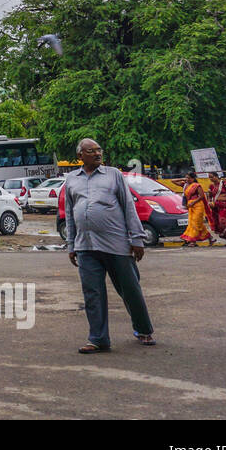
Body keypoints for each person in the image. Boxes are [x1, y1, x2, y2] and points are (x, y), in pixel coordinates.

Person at [63, 138, 156, 353]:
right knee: (92, 293)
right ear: (80, 156)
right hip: (85, 245)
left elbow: (128, 206)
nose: (97, 154)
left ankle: (143, 330)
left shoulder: (113, 174)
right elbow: (70, 213)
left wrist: (136, 238)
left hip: (117, 244)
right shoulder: (71, 180)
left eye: (99, 150)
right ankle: (98, 338)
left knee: (130, 289)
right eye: (91, 151)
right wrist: (71, 244)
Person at [179, 172, 214, 246]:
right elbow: (173, 181)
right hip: (191, 206)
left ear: (193, 178)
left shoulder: (197, 186)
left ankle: (192, 241)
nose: (187, 179)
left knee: (195, 223)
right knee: (195, 223)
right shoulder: (187, 185)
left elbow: (201, 196)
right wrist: (183, 179)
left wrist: (193, 202)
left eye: (189, 178)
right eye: (186, 178)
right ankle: (210, 238)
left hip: (198, 206)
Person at [205, 171, 226, 246]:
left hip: (224, 206)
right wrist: (209, 202)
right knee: (217, 224)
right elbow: (209, 196)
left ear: (216, 176)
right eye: (209, 177)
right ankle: (225, 236)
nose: (211, 179)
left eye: (212, 177)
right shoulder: (211, 186)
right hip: (215, 207)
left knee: (222, 222)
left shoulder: (225, 184)